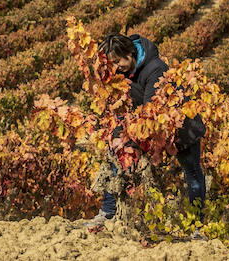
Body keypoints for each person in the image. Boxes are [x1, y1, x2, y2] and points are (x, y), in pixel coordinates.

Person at [86, 32, 206, 229]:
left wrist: (129, 137)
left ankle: (197, 225)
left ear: (130, 53)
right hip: (144, 125)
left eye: (118, 61)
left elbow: (150, 115)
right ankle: (107, 213)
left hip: (182, 128)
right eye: (111, 64)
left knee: (192, 174)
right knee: (117, 157)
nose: (116, 68)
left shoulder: (155, 69)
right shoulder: (120, 72)